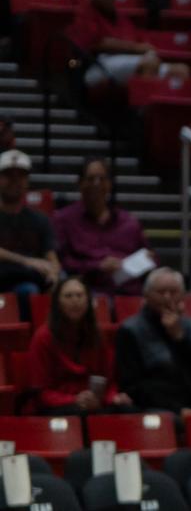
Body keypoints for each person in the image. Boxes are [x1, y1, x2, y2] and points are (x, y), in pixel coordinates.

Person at [114, 266, 191, 413]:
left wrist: (180, 338)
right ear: (147, 296)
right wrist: (177, 409)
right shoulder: (130, 330)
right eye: (161, 292)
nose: (167, 297)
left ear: (183, 296)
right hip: (149, 406)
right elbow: (130, 386)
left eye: (173, 292)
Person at [52, 158, 150, 293]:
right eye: (91, 179)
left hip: (130, 289)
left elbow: (149, 256)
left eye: (102, 179)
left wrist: (148, 259)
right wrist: (97, 266)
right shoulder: (63, 219)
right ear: (80, 183)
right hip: (87, 290)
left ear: (109, 184)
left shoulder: (129, 222)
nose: (96, 184)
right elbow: (62, 262)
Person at [23, 275, 113, 414]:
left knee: (125, 410)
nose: (75, 300)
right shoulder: (43, 337)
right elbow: (40, 392)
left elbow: (108, 379)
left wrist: (109, 398)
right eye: (68, 296)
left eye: (79, 295)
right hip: (56, 405)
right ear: (57, 302)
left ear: (88, 301)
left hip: (91, 402)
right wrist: (74, 399)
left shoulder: (97, 335)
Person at [0, 147, 59, 293]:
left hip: (27, 283)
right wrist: (27, 261)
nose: (15, 181)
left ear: (27, 181)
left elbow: (51, 256)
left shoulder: (40, 219)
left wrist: (54, 272)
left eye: (20, 176)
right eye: (8, 175)